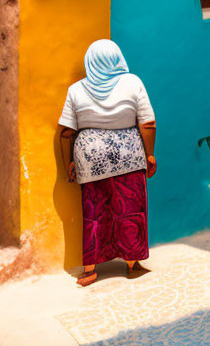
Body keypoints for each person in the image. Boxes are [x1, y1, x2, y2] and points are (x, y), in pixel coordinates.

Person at [58, 39, 157, 287]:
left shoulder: (76, 90)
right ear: (118, 59)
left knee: (93, 211)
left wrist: (68, 161)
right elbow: (148, 123)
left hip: (90, 158)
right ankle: (133, 263)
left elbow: (65, 132)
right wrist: (150, 154)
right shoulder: (133, 82)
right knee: (131, 209)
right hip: (129, 156)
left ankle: (90, 270)